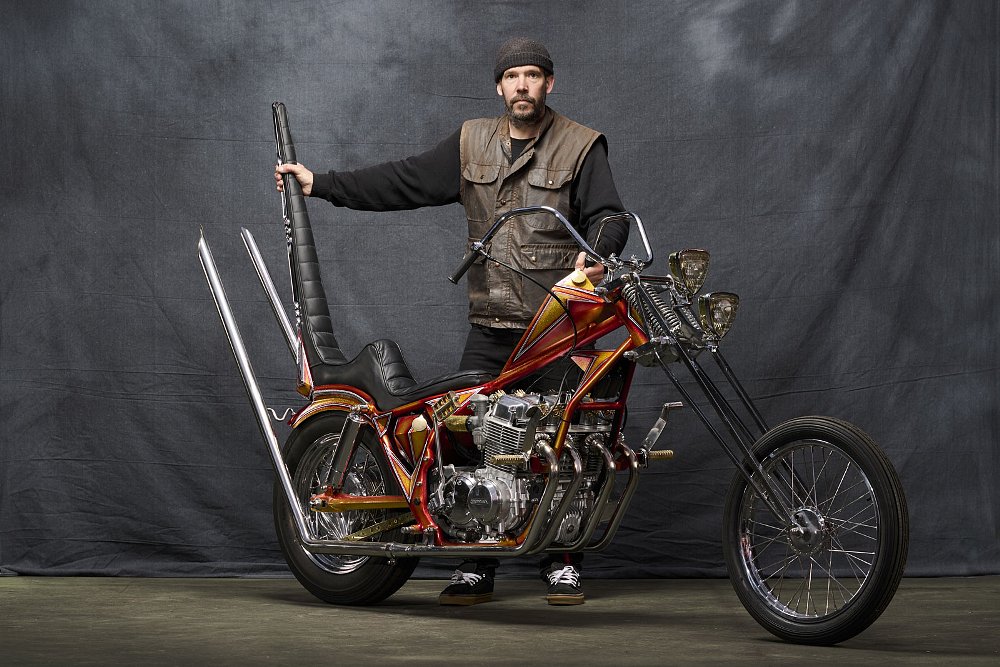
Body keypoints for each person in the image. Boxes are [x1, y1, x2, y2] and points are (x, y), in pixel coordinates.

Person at [275, 37, 629, 606]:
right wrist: (323, 185)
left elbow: (610, 215)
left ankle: (562, 561)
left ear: (549, 84)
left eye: (533, 76)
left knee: (564, 443)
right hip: (491, 325)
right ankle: (474, 565)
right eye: (512, 76)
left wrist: (598, 251)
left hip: (554, 327)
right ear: (498, 86)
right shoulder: (472, 143)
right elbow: (404, 180)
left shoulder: (581, 145)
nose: (522, 86)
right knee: (459, 436)